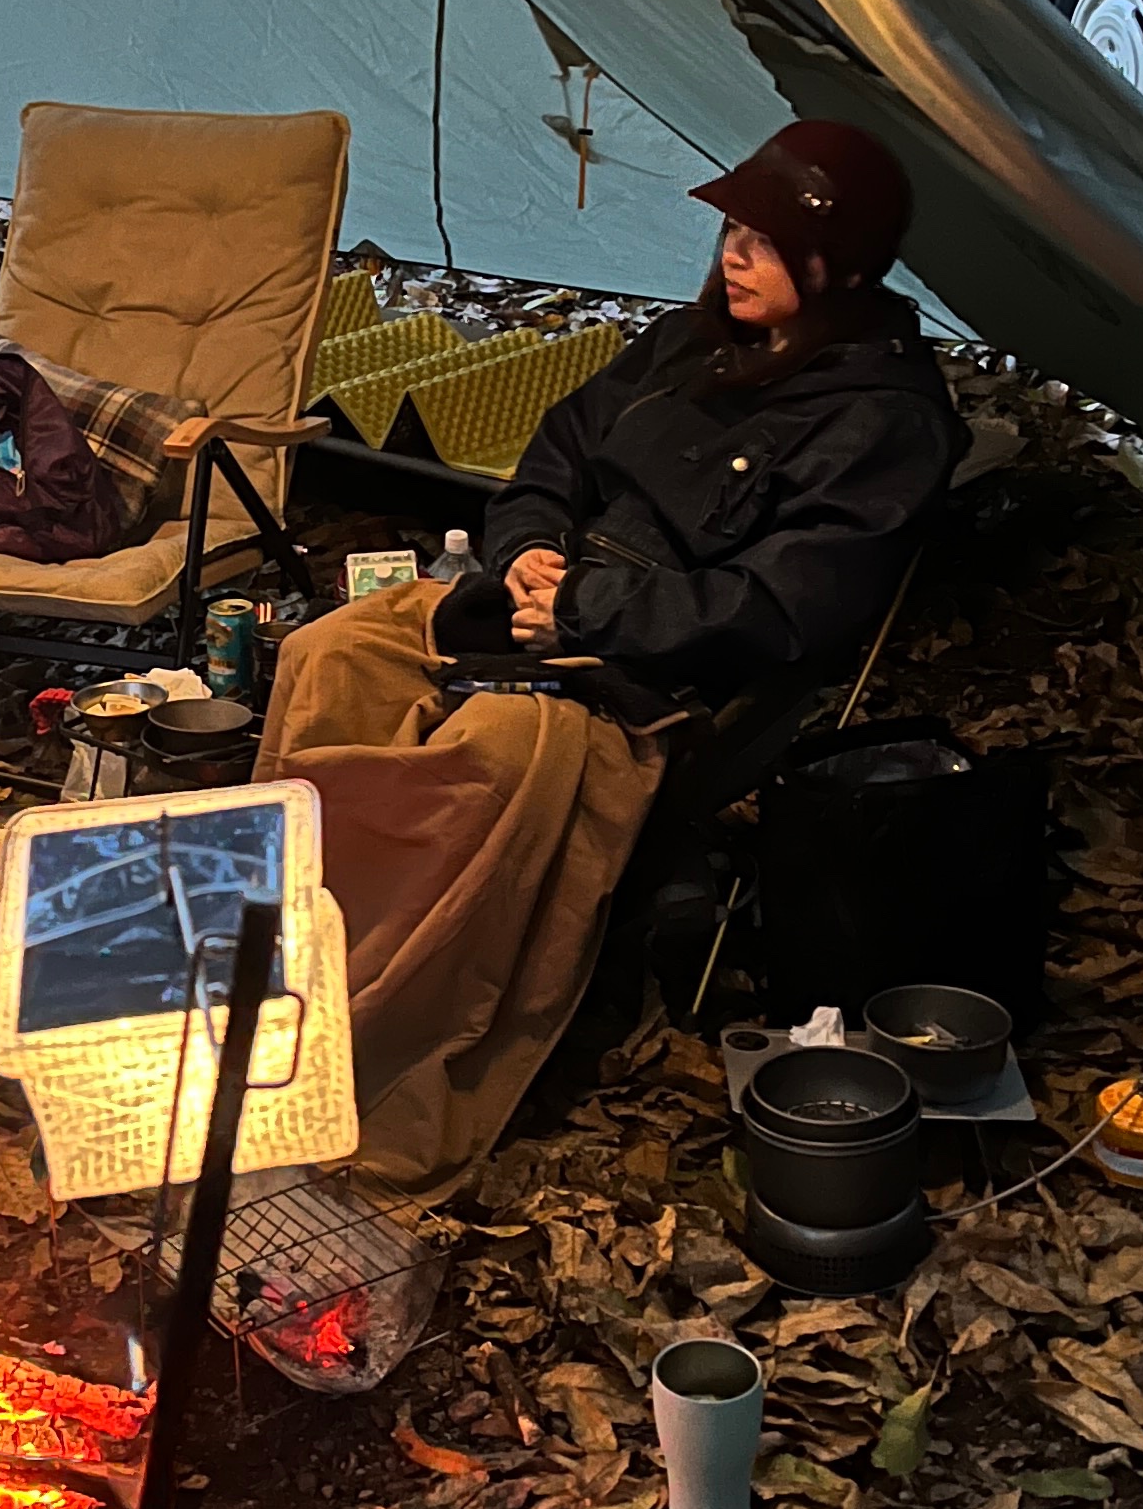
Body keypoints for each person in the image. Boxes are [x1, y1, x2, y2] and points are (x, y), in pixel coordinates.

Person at [259, 120, 962, 1194]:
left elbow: (780, 607)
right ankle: (279, 968)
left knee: (492, 754)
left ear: (844, 265)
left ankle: (381, 1043)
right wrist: (532, 548)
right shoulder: (695, 343)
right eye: (732, 227)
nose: (733, 253)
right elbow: (559, 453)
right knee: (333, 652)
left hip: (650, 667)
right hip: (538, 600)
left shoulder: (883, 420)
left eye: (766, 241)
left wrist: (591, 610)